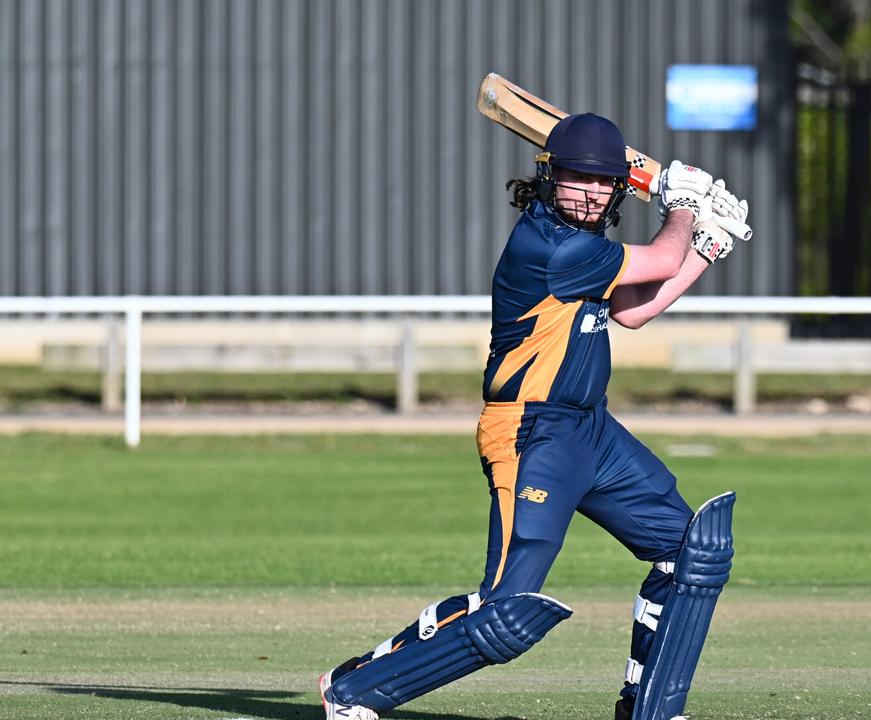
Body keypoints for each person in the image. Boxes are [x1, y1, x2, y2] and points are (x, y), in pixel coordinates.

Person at [318, 113, 750, 720]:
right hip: (531, 433)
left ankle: (651, 710)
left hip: (591, 430)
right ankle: (355, 690)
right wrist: (683, 207)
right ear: (548, 176)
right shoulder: (549, 244)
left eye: (604, 182)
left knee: (691, 553)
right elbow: (656, 260)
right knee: (507, 614)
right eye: (578, 179)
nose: (592, 193)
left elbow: (633, 311)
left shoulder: (590, 248)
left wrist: (708, 244)